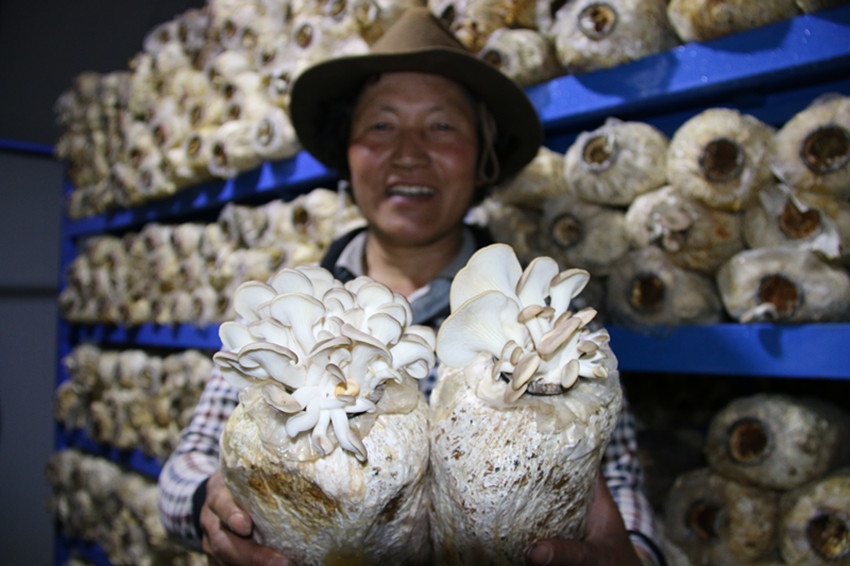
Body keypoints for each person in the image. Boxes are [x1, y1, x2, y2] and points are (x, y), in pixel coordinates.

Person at [158, 8, 665, 566]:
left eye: (442, 126)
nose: (408, 153)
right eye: (381, 126)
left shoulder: (550, 318)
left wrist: (635, 556)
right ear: (348, 154)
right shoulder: (281, 318)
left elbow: (616, 479)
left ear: (483, 158)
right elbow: (187, 465)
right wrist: (208, 506)